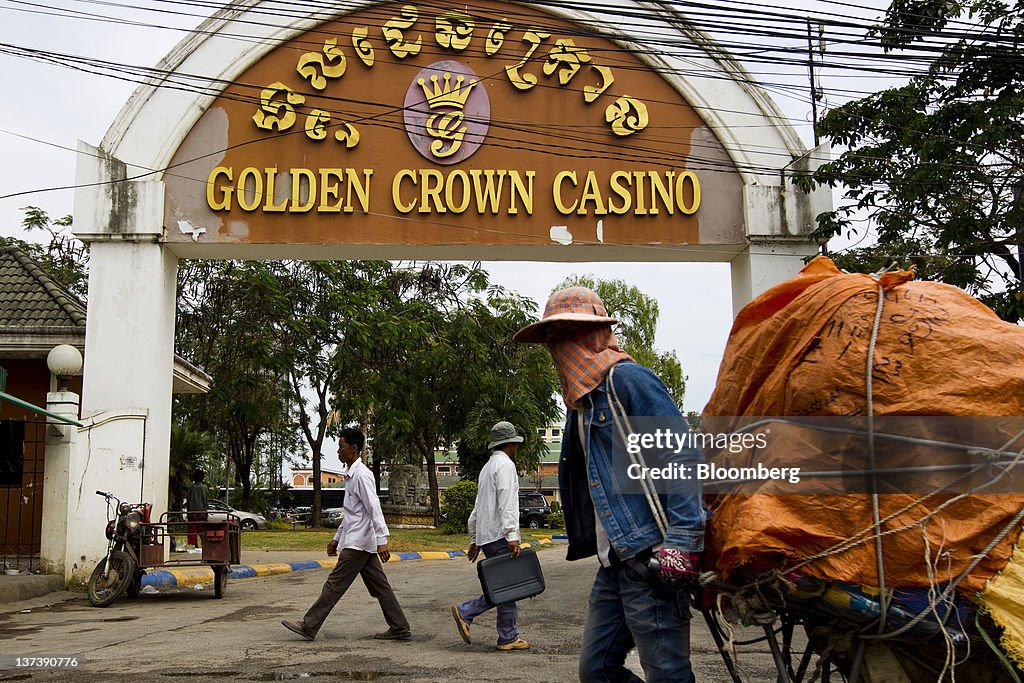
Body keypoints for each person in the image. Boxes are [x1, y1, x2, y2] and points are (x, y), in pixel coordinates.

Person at [514, 287, 705, 683]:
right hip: (614, 563)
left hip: (650, 558)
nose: (558, 347)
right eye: (553, 337)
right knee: (597, 669)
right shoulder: (581, 406)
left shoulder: (628, 381)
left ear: (596, 335)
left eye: (567, 334)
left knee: (667, 674)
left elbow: (681, 453)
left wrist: (684, 539)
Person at [282, 427, 412, 642]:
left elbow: (374, 508)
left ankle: (309, 625)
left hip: (359, 543)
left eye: (341, 446)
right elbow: (352, 513)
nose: (338, 451)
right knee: (380, 587)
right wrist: (336, 538)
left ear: (353, 448)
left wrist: (382, 540)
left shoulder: (362, 475)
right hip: (359, 541)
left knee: (334, 584)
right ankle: (399, 627)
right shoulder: (352, 475)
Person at [450, 421, 530, 652]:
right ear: (511, 444)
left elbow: (479, 506)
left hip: (488, 536)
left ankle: (507, 635)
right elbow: (506, 503)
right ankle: (470, 614)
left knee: (504, 584)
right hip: (499, 535)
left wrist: (474, 538)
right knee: (508, 586)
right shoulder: (505, 466)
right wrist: (512, 535)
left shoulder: (487, 468)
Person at [185, 468, 209, 548]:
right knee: (203, 530)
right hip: (202, 513)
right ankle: (204, 543)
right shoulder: (205, 488)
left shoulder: (190, 488)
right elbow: (206, 500)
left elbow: (188, 500)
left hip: (192, 513)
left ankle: (195, 545)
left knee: (193, 530)